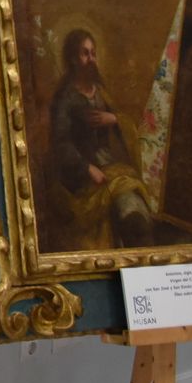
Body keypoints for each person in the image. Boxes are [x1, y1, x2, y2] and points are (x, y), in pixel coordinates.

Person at [48, 29, 154, 250]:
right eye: (85, 54)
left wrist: (114, 119)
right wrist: (87, 168)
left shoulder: (100, 92)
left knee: (137, 212)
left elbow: (127, 126)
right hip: (80, 174)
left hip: (110, 165)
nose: (91, 59)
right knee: (127, 208)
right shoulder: (66, 99)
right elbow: (61, 144)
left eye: (93, 53)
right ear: (73, 59)